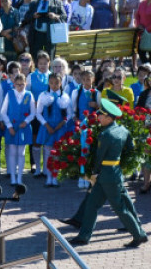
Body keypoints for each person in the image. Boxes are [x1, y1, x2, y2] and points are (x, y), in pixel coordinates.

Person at [62, 99, 149, 249]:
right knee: (92, 204)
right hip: (114, 173)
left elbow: (99, 158)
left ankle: (138, 234)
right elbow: (130, 149)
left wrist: (92, 174)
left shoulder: (105, 135)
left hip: (106, 176)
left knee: (119, 207)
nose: (99, 118)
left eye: (101, 116)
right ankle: (84, 236)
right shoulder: (123, 130)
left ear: (109, 118)